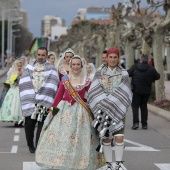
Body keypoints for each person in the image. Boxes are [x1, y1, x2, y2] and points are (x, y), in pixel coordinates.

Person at [36, 55, 102, 170]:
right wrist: (52, 110)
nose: (76, 67)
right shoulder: (65, 80)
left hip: (81, 113)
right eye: (73, 64)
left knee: (78, 139)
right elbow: (58, 96)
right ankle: (62, 160)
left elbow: (92, 96)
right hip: (64, 111)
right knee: (63, 137)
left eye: (78, 64)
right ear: (70, 66)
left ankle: (77, 162)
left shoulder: (87, 80)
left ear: (82, 66)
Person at [87, 48, 132, 170]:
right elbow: (93, 91)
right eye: (110, 57)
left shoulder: (124, 73)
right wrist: (103, 103)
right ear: (106, 58)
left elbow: (126, 92)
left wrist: (114, 102)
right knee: (106, 137)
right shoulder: (99, 72)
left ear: (118, 58)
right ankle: (108, 164)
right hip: (102, 110)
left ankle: (117, 164)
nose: (112, 60)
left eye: (115, 57)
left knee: (119, 137)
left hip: (118, 109)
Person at [19, 47, 59, 153]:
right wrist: (30, 95)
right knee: (29, 125)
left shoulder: (51, 68)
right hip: (31, 100)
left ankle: (39, 145)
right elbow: (23, 81)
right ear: (36, 55)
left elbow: (54, 83)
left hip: (44, 101)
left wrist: (45, 95)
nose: (40, 57)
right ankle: (30, 145)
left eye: (43, 55)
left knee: (42, 125)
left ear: (46, 56)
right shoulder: (29, 66)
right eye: (39, 55)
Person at [127, 54, 160, 130]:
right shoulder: (151, 69)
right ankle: (144, 124)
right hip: (146, 91)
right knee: (144, 106)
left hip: (136, 90)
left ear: (141, 59)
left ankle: (135, 123)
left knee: (135, 106)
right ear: (148, 60)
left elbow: (128, 73)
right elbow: (158, 76)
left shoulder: (135, 67)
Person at [0, 60, 23, 126]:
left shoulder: (22, 72)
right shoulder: (13, 72)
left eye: (20, 66)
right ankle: (14, 118)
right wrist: (14, 82)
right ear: (16, 66)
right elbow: (10, 81)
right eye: (18, 66)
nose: (19, 67)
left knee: (20, 104)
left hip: (20, 89)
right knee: (14, 103)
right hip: (14, 89)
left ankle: (20, 120)